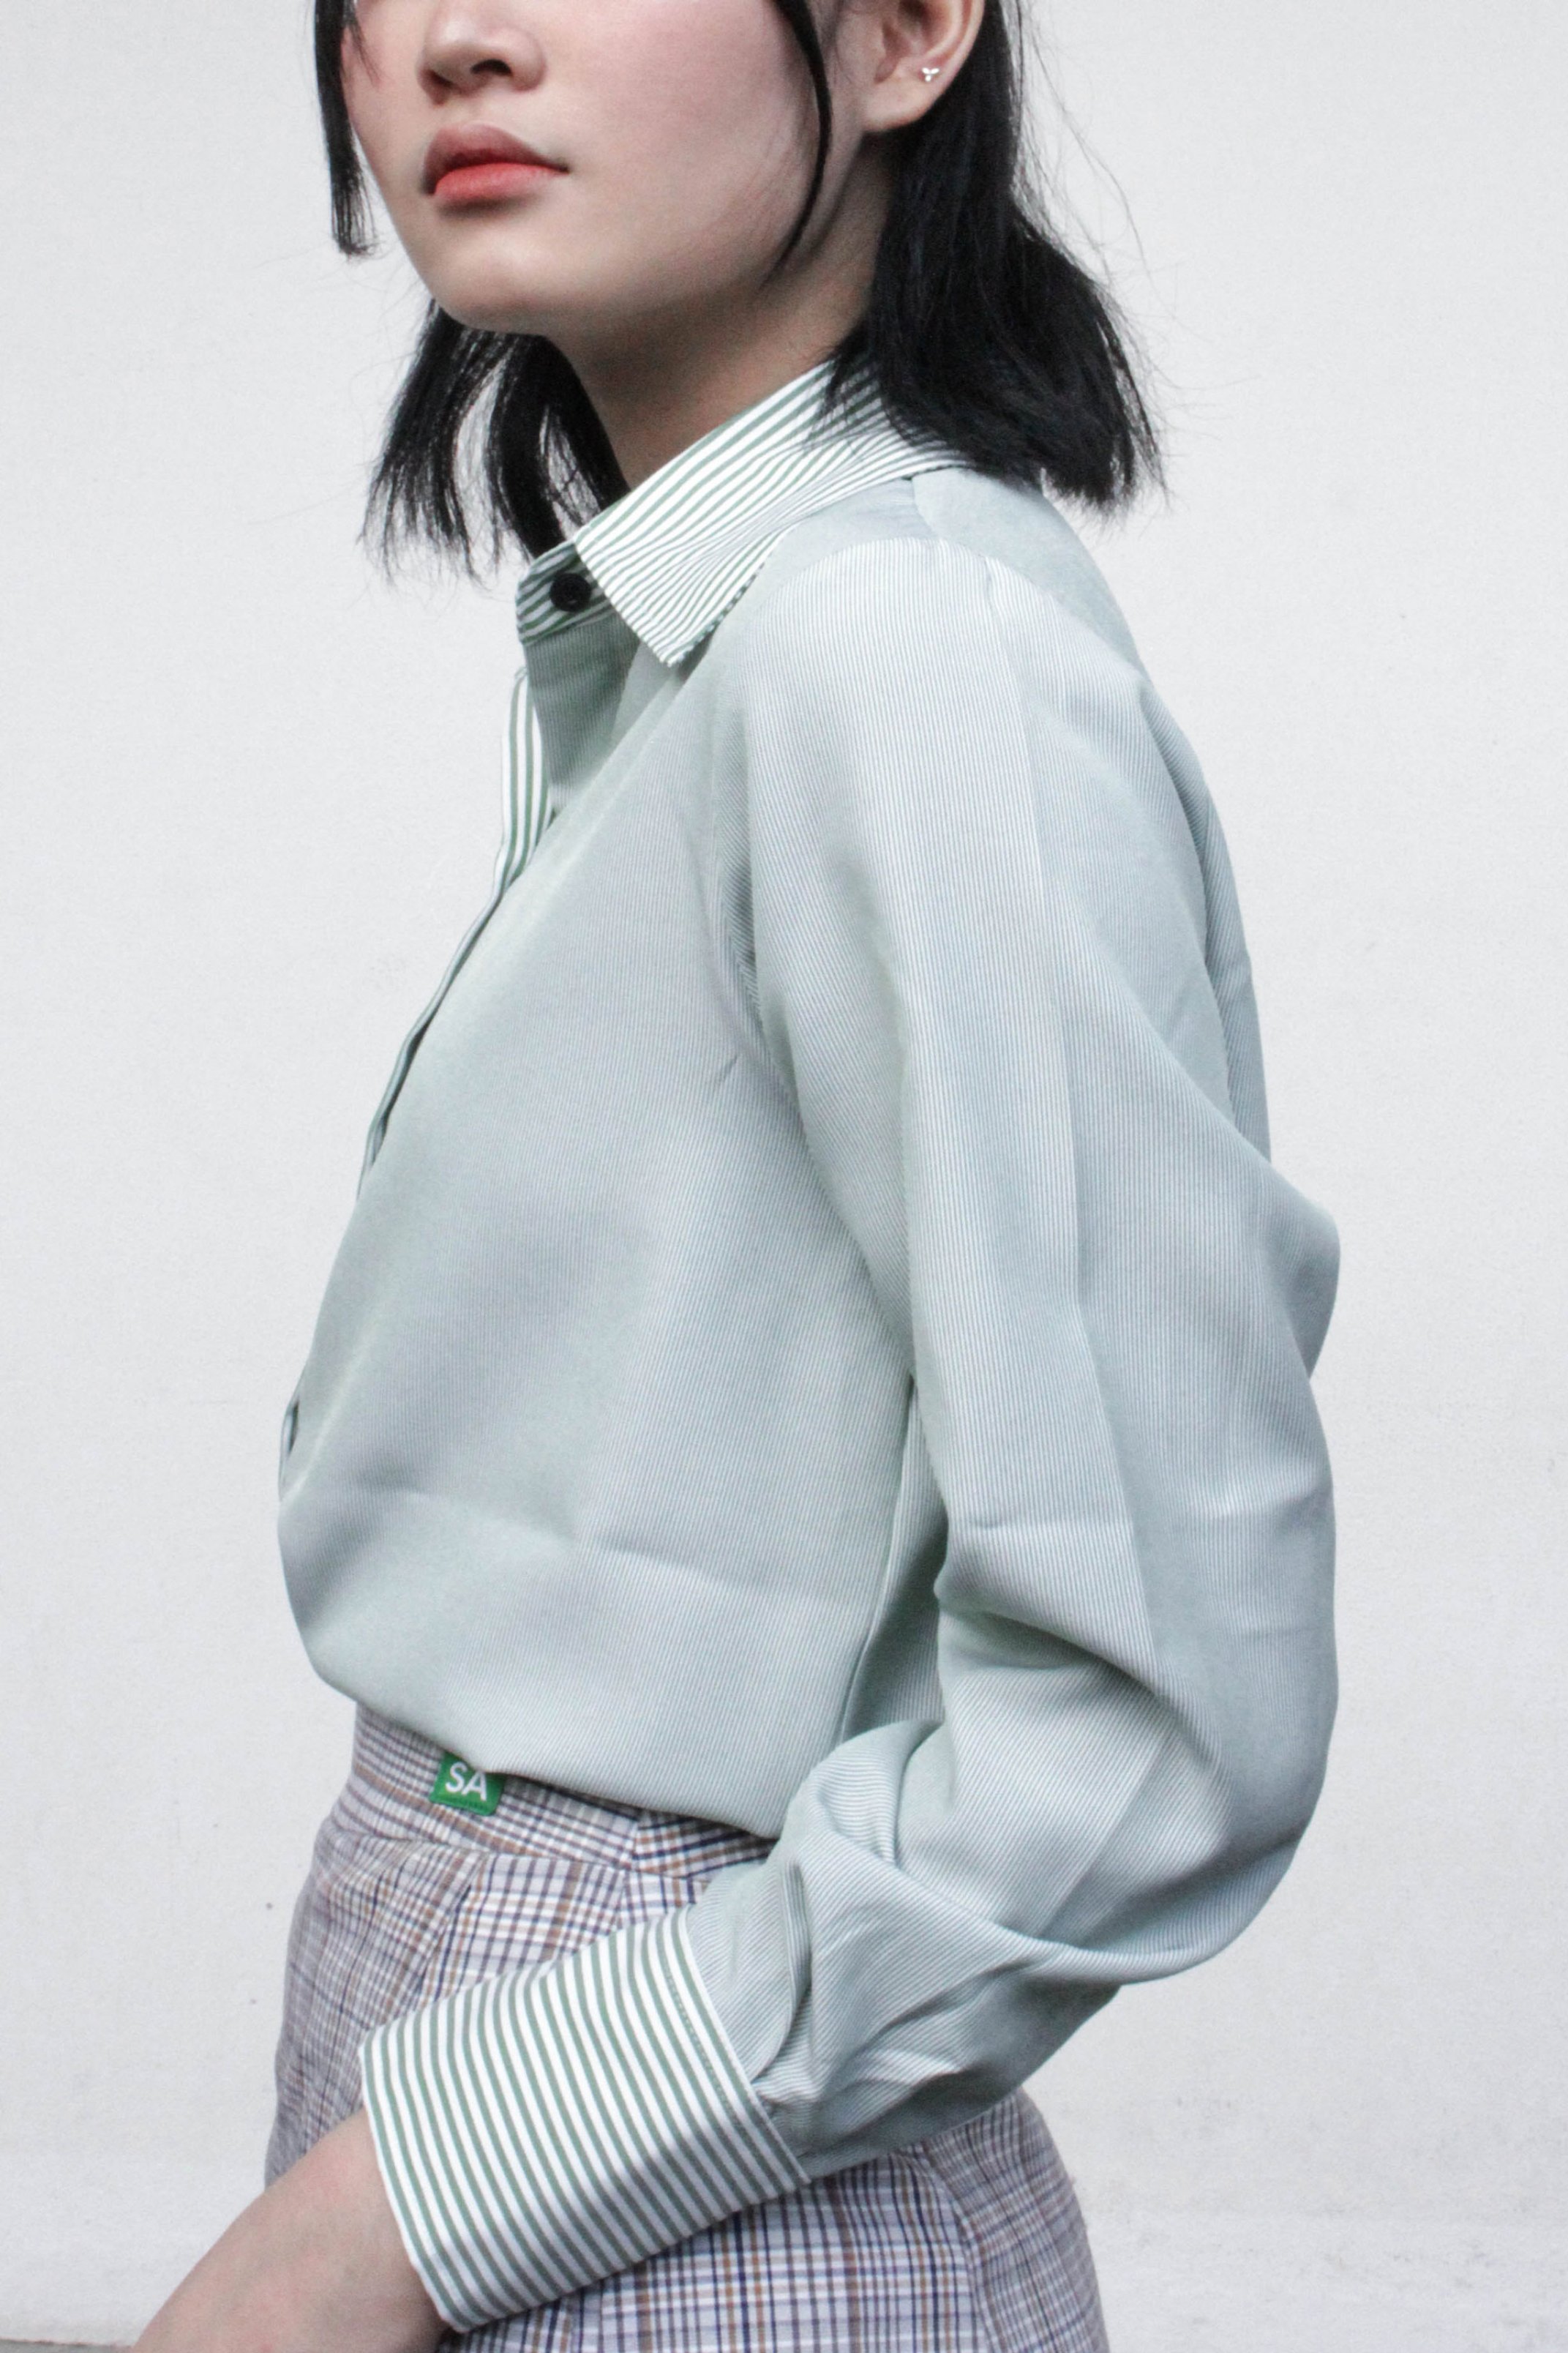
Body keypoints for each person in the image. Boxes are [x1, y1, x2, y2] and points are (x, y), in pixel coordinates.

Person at [135, 0, 1338, 2345]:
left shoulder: (899, 651)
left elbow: (1160, 1727)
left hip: (692, 2167)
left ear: (903, 31)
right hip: (553, 2050)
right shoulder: (735, 631)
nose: (457, 41)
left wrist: (387, 2217)